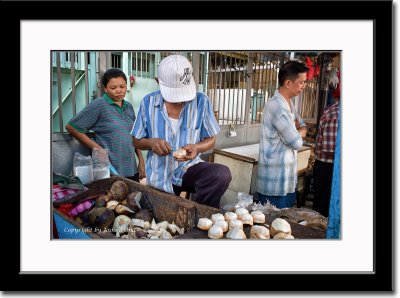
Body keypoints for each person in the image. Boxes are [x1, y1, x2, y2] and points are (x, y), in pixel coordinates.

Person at [131, 54, 231, 208]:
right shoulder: (148, 103)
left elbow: (211, 139)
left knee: (220, 174)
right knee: (159, 221)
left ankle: (199, 215)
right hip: (159, 174)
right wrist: (151, 143)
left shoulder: (201, 102)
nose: (180, 100)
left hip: (188, 168)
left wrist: (197, 147)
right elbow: (136, 140)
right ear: (158, 81)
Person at [65, 68, 145, 182]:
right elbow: (72, 127)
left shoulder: (129, 107)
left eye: (122, 86)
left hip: (131, 168)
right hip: (110, 170)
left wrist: (141, 161)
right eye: (113, 88)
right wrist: (98, 149)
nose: (119, 91)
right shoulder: (99, 105)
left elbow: (134, 135)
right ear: (105, 88)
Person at [256, 60, 309, 208]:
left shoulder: (289, 104)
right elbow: (296, 142)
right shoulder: (278, 106)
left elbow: (302, 124)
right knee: (271, 226)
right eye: (301, 83)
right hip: (275, 184)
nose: (304, 86)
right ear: (288, 83)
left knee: (283, 225)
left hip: (285, 180)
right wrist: (300, 131)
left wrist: (299, 129)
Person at [313, 97, 340, 217]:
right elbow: (331, 149)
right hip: (329, 168)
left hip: (332, 167)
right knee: (323, 213)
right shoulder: (335, 114)